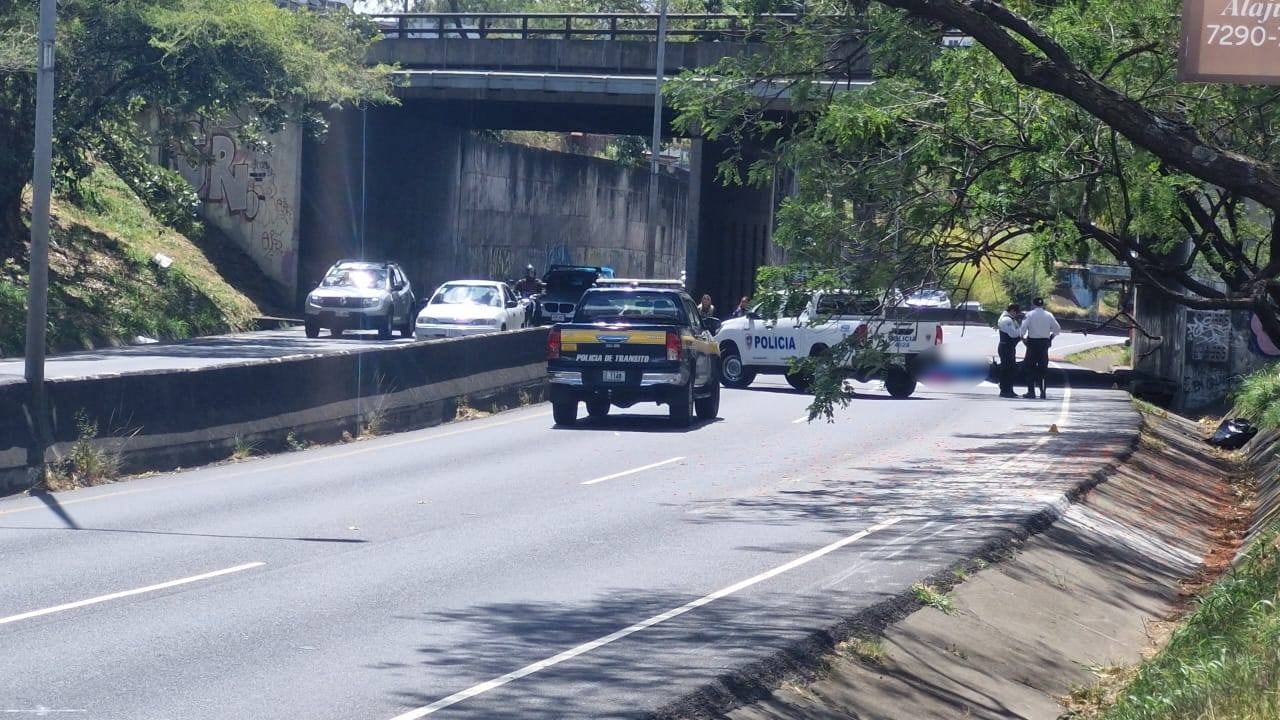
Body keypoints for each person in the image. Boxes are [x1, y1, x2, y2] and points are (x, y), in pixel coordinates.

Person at [1021, 297, 1061, 399]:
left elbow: (1022, 329)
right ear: (1043, 305)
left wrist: (1023, 339)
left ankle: (1031, 392)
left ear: (1033, 304)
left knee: (1030, 368)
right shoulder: (1049, 315)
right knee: (1043, 369)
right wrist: (1051, 338)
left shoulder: (1029, 315)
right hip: (1044, 344)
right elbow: (1057, 329)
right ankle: (1043, 392)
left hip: (1032, 344)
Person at [996, 303, 1023, 399]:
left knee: (1011, 368)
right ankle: (1004, 390)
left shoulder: (1010, 319)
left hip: (1009, 347)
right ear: (1012, 311)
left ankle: (1009, 389)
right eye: (1016, 312)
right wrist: (1021, 329)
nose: (1016, 314)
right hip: (1006, 347)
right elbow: (1013, 334)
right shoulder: (1006, 320)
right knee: (1006, 369)